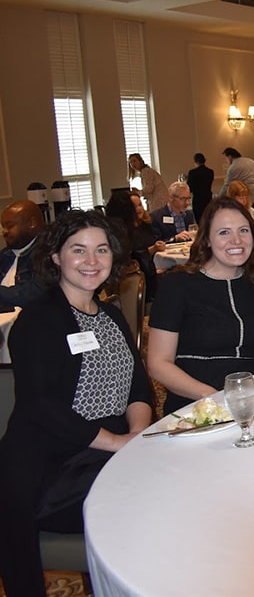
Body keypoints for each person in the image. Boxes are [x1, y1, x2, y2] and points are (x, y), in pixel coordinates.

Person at [0, 210, 151, 596]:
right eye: (78, 250)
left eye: (101, 250)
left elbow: (139, 387)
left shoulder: (112, 316)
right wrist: (118, 445)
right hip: (52, 467)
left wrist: (136, 435)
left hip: (108, 453)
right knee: (153, 498)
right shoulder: (37, 321)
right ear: (55, 257)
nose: (91, 261)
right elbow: (42, 407)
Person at [147, 197, 254, 414]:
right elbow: (158, 363)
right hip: (196, 404)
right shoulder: (177, 285)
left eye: (243, 230)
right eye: (224, 232)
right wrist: (210, 395)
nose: (236, 240)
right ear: (207, 240)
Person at [103, 191, 165, 299]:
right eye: (133, 206)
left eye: (140, 205)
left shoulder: (108, 228)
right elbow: (140, 258)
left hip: (117, 280)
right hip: (137, 281)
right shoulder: (126, 231)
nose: (137, 209)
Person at [0, 199, 46, 310]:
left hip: (33, 322)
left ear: (32, 223)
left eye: (10, 226)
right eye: (3, 227)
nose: (4, 232)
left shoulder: (49, 253)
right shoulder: (5, 255)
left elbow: (35, 293)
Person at [219, 147, 254, 219]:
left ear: (229, 157)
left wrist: (217, 199)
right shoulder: (250, 161)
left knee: (253, 220)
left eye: (226, 158)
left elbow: (227, 186)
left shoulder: (233, 167)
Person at [187, 153, 214, 222]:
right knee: (208, 220)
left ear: (195, 161)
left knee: (199, 221)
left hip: (198, 200)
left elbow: (189, 188)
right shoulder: (210, 172)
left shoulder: (192, 173)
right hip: (208, 199)